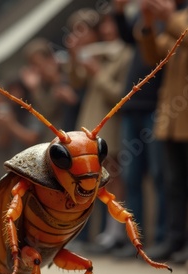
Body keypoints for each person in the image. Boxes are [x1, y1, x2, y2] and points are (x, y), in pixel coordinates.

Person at [136, 0, 188, 264]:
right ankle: (174, 240)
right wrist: (148, 24)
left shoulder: (185, 17)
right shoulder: (184, 14)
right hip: (172, 117)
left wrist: (171, 19)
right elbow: (154, 56)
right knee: (172, 183)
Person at [71, 13, 133, 254]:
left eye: (110, 23)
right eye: (103, 25)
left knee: (113, 177)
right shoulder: (98, 54)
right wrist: (77, 57)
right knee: (92, 180)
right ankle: (101, 232)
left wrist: (98, 72)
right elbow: (76, 82)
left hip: (111, 124)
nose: (107, 29)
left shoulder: (124, 54)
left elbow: (119, 93)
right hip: (90, 125)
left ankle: (116, 232)